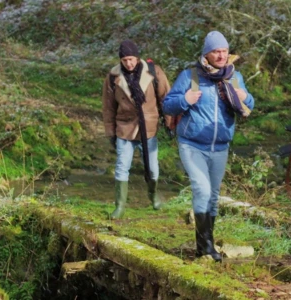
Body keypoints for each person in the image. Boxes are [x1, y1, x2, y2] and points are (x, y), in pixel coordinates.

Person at [163, 31, 255, 262]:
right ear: (207, 54)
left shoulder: (234, 77)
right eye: (216, 51)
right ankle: (205, 248)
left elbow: (248, 105)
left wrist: (246, 96)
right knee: (202, 189)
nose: (222, 55)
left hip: (220, 146)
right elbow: (167, 105)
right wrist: (185, 100)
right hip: (192, 144)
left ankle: (207, 245)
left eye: (224, 51)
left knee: (213, 196)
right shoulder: (191, 76)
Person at [102, 40, 174, 219]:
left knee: (152, 168)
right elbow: (108, 107)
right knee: (121, 166)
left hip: (148, 127)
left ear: (137, 57)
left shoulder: (153, 72)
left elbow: (166, 98)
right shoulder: (113, 76)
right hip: (124, 128)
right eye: (125, 60)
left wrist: (170, 123)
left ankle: (154, 196)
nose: (129, 63)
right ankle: (119, 206)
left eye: (131, 59)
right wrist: (111, 132)